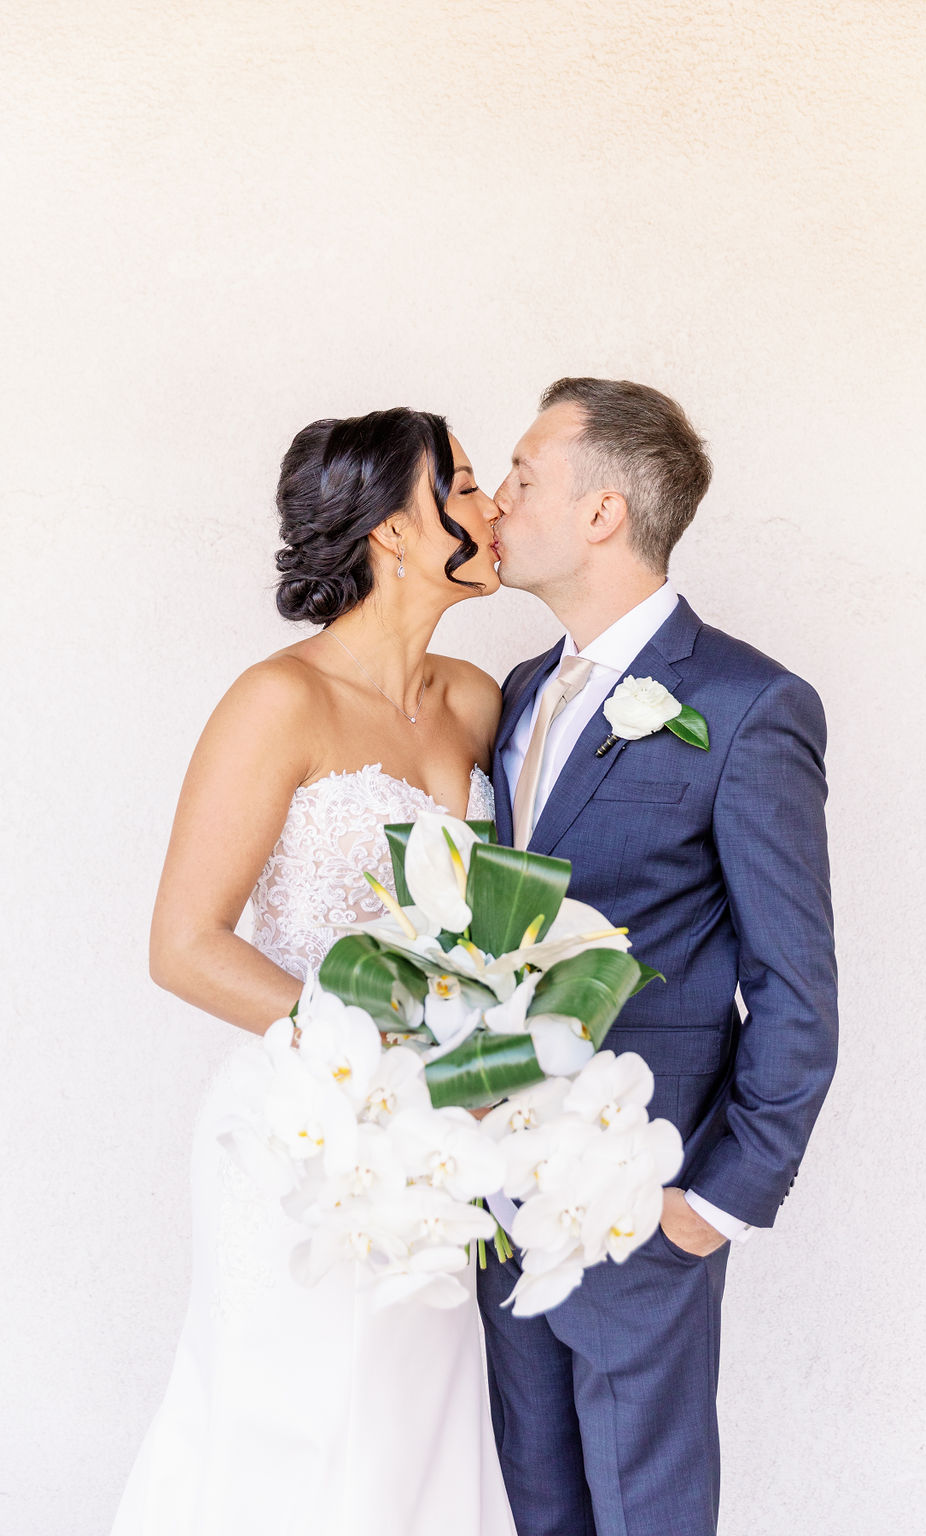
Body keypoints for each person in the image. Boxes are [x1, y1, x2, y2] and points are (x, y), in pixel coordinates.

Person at [109, 408, 516, 1536]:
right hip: (302, 1135)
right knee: (288, 1425)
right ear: (394, 529)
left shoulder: (475, 702)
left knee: (414, 1431)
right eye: (469, 484)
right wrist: (378, 1051)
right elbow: (184, 945)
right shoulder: (275, 702)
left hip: (442, 1144)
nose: (493, 511)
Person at [478, 377, 839, 1536]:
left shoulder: (745, 703)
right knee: (545, 1508)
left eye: (524, 475)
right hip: (496, 1191)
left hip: (645, 1195)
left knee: (648, 1513)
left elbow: (796, 986)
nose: (495, 499)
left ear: (598, 514)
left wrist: (716, 1203)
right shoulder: (519, 694)